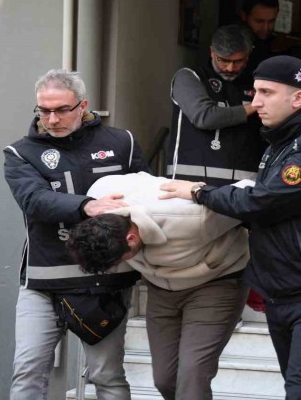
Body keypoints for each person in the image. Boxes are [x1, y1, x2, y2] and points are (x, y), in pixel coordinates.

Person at [160, 56, 301, 400]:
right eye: (255, 92)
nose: (256, 102)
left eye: (266, 92)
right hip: (285, 291)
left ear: (299, 98)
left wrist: (198, 191)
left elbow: (261, 202)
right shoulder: (282, 142)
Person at [3, 69, 150, 400]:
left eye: (61, 110)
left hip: (106, 281)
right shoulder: (20, 153)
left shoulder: (121, 143)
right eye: (44, 111)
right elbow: (34, 200)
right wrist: (87, 206)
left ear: (83, 106)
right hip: (44, 281)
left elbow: (146, 194)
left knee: (107, 376)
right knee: (27, 372)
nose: (52, 119)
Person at [67, 171, 251, 400]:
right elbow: (136, 176)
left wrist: (200, 191)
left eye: (118, 260)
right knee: (165, 379)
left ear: (131, 239)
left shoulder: (193, 216)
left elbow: (249, 191)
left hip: (215, 283)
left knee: (193, 374)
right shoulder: (102, 196)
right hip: (161, 289)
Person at [168, 24, 266, 187]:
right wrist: (254, 106)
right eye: (224, 60)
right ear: (212, 52)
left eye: (238, 61)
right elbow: (205, 117)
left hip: (243, 185)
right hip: (190, 184)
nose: (230, 68)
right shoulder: (189, 77)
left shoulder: (256, 84)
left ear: (248, 57)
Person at [239, 0, 280, 75]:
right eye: (259, 21)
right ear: (244, 16)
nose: (265, 28)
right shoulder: (232, 43)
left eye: (271, 21)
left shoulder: (274, 44)